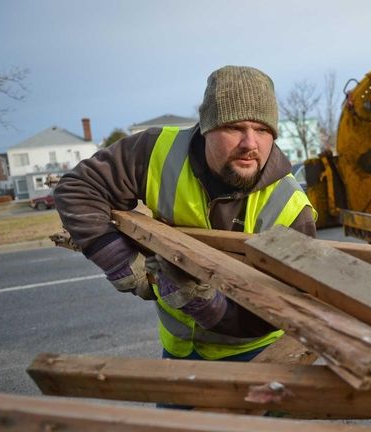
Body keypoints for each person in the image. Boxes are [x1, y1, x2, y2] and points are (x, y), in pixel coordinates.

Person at [54, 65, 317, 364]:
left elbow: (287, 309)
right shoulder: (157, 152)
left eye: (262, 130)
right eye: (234, 127)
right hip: (179, 349)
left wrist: (207, 306)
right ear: (206, 129)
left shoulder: (290, 206)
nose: (250, 143)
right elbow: (78, 188)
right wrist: (124, 264)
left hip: (257, 354)